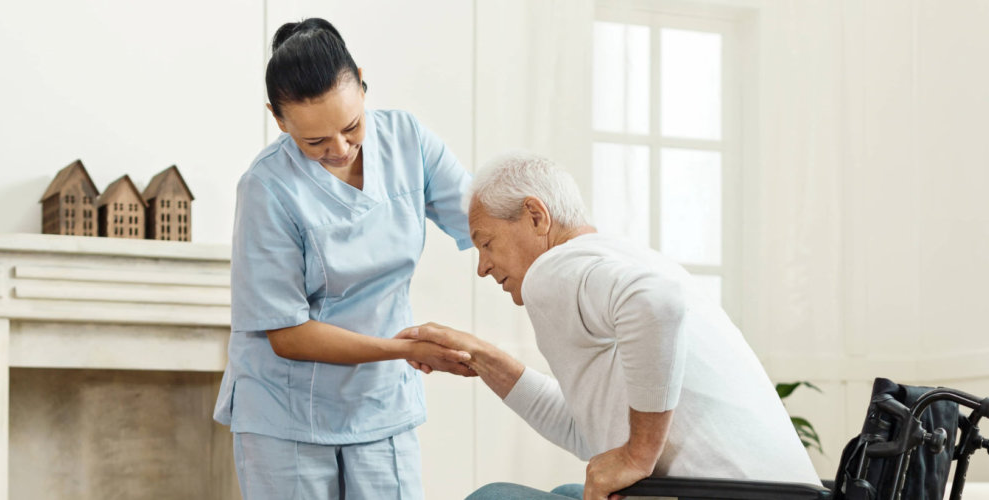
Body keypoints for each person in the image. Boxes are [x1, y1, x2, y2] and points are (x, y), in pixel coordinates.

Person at [399, 152, 823, 500]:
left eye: (486, 243)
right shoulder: (619, 257)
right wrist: (480, 355)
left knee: (492, 498)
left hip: (726, 495)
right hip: (780, 493)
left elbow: (657, 305)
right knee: (570, 489)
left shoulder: (555, 269)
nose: (483, 268)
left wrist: (639, 454)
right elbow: (588, 430)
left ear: (535, 215)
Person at [212, 18, 477, 500]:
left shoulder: (408, 139)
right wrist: (406, 350)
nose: (339, 149)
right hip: (285, 410)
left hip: (381, 404)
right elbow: (288, 334)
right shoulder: (266, 188)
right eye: (314, 142)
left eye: (352, 125)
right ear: (278, 119)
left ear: (361, 79)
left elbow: (482, 220)